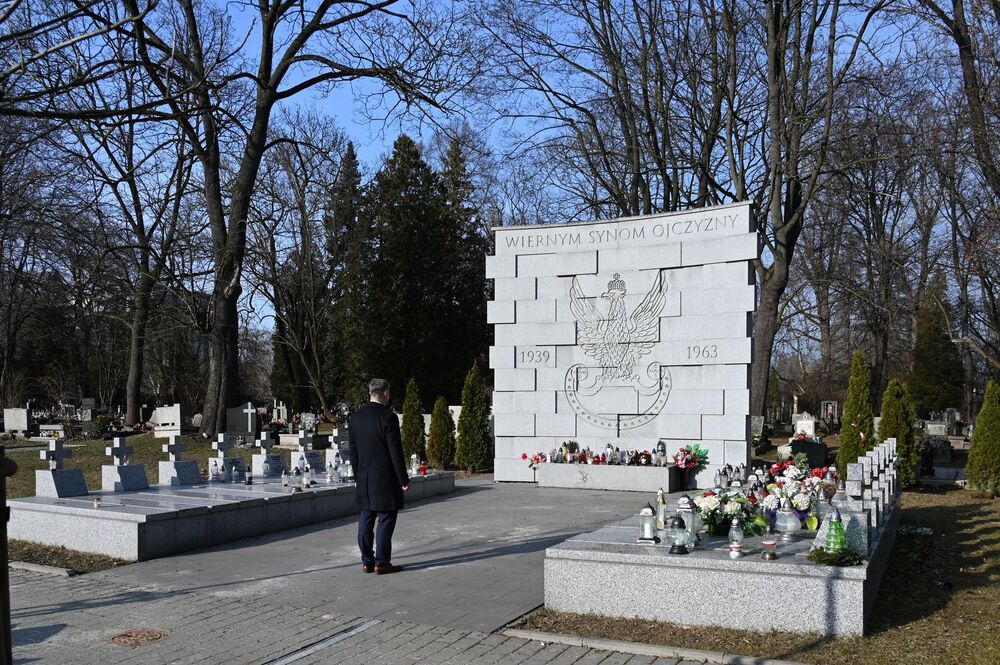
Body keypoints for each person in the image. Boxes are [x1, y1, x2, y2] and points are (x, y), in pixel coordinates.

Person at [349, 378, 409, 575]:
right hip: (385, 477)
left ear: (370, 393)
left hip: (364, 477)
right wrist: (403, 479)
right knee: (386, 517)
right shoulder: (388, 417)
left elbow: (353, 451)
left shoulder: (355, 417)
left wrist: (358, 475)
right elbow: (395, 451)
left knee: (366, 517)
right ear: (386, 393)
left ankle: (367, 561)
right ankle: (381, 563)